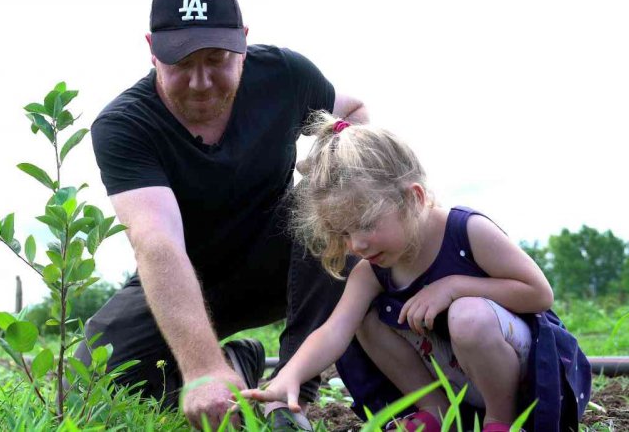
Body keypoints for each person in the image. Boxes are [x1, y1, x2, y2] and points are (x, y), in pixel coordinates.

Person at [75, 0, 368, 430]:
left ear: (243, 44)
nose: (200, 81)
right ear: (152, 52)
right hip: (184, 278)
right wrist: (203, 370)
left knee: (331, 196)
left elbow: (351, 112)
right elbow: (158, 244)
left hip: (283, 260)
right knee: (89, 377)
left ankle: (290, 395)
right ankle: (236, 363)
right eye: (181, 63)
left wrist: (331, 158)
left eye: (216, 59)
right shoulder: (126, 125)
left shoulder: (285, 77)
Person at [241, 112, 592, 432]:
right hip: (460, 379)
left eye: (364, 224)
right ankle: (438, 414)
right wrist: (290, 375)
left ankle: (500, 422)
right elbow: (334, 330)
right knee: (363, 319)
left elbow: (538, 294)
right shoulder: (371, 271)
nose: (356, 245)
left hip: (527, 378)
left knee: (467, 314)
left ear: (414, 198)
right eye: (344, 233)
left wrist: (454, 287)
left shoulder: (466, 232)